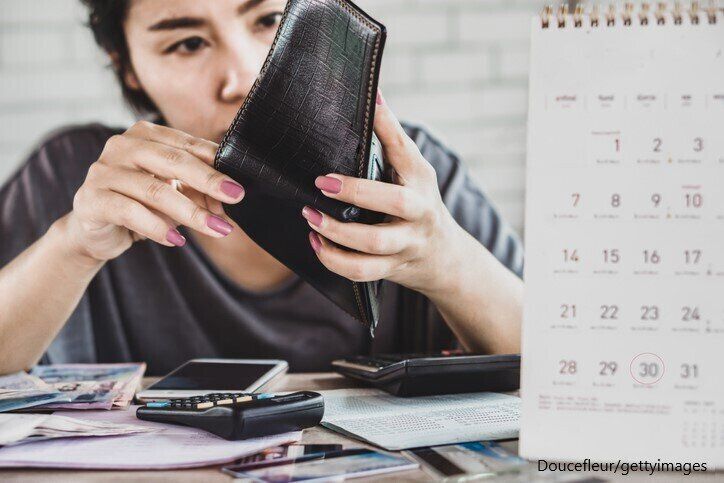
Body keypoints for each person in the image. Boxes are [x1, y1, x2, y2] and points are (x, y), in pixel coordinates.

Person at [0, 0, 524, 376]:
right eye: (187, 43)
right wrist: (73, 246)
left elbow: (558, 369)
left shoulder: (411, 181)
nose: (245, 77)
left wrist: (447, 263)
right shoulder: (75, 179)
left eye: (271, 20)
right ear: (128, 68)